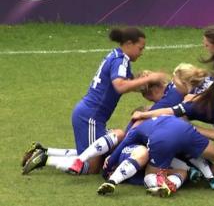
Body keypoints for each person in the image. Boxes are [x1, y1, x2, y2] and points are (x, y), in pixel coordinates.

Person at [22, 27, 166, 175]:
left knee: (98, 149)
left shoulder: (116, 56)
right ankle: (45, 159)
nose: (141, 52)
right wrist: (150, 78)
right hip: (91, 117)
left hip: (89, 113)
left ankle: (45, 150)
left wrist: (145, 85)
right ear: (129, 44)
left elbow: (125, 85)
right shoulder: (120, 60)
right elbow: (120, 86)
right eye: (140, 48)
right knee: (91, 168)